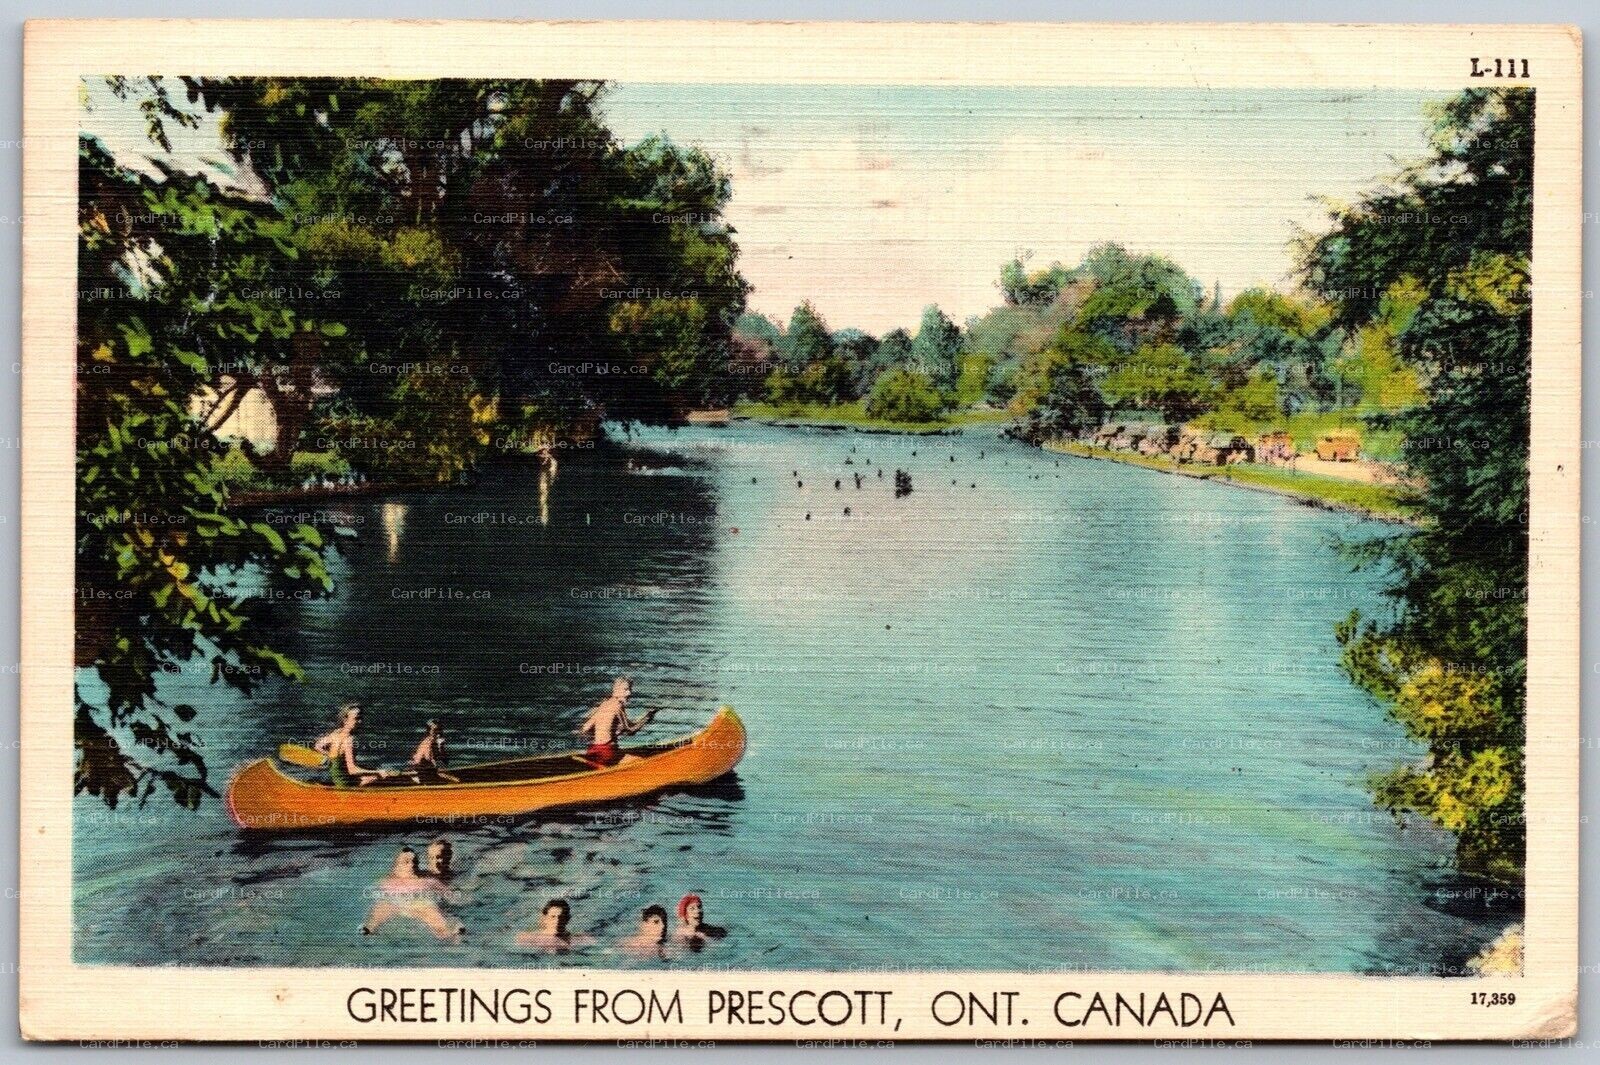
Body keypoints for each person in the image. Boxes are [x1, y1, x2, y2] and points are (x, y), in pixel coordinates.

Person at [361, 847, 463, 940]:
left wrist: (452, 899)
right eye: (406, 862)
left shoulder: (426, 880)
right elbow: (375, 893)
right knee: (380, 910)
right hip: (393, 903)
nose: (411, 864)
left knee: (433, 915)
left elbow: (448, 894)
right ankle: (368, 930)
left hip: (419, 903)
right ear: (396, 866)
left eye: (414, 862)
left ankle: (448, 934)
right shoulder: (386, 882)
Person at [576, 677, 656, 768]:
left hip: (593, 751)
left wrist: (611, 732)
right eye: (625, 689)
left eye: (630, 689)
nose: (629, 693)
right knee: (643, 763)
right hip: (608, 752)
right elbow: (630, 730)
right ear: (616, 690)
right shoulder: (618, 705)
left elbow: (585, 728)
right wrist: (647, 718)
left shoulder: (604, 704)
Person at [313, 703, 394, 787]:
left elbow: (318, 746)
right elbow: (352, 770)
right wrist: (378, 772)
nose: (360, 721)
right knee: (376, 776)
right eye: (357, 718)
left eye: (361, 718)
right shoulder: (349, 740)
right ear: (345, 720)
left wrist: (329, 756)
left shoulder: (336, 733)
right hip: (344, 783)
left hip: (336, 777)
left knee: (369, 768)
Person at [515, 898, 594, 953]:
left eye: (561, 917)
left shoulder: (578, 940)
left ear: (567, 919)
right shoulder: (528, 939)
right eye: (553, 917)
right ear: (545, 919)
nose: (557, 921)